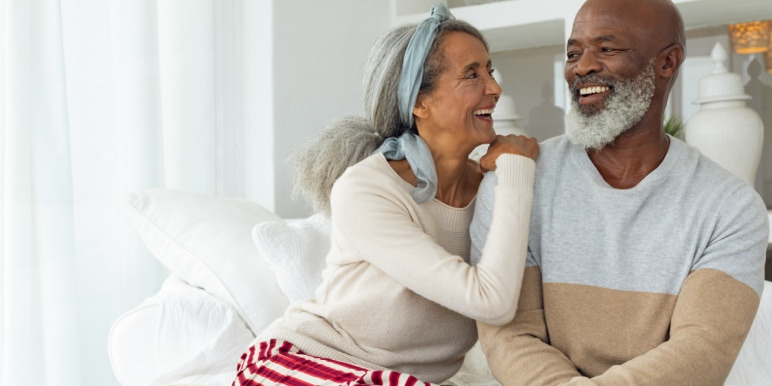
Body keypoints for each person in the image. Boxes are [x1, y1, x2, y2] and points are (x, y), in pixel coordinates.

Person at [233, 5, 539, 385]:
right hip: (298, 361)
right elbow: (490, 301)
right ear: (418, 102)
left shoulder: (493, 191)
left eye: (489, 71)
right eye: (472, 75)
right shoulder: (367, 189)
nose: (495, 88)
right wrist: (516, 170)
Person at [470, 0, 769, 384]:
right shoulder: (516, 179)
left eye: (607, 49)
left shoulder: (731, 207)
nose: (582, 66)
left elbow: (703, 349)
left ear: (667, 62)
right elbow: (509, 332)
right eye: (573, 53)